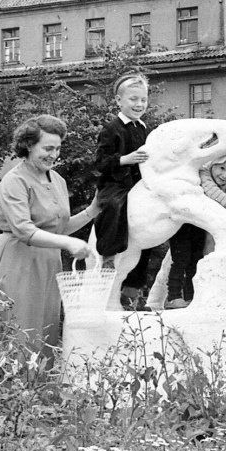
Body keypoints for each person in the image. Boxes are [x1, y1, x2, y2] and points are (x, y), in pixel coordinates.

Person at [0, 114, 100, 361]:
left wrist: (91, 211)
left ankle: (37, 392)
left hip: (48, 265)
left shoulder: (58, 180)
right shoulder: (14, 180)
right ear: (29, 146)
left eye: (58, 148)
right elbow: (24, 230)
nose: (54, 154)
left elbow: (57, 228)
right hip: (17, 260)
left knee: (44, 331)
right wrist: (68, 243)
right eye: (48, 148)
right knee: (16, 329)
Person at [165, 151, 226, 309]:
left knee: (196, 260)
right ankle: (173, 296)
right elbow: (213, 192)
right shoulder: (204, 175)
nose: (225, 175)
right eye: (222, 168)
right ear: (213, 164)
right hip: (184, 223)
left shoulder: (223, 182)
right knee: (181, 259)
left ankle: (191, 297)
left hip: (200, 225)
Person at [93, 73, 151, 308]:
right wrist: (125, 159)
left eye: (143, 100)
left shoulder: (143, 127)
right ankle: (108, 256)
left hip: (139, 183)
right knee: (115, 207)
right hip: (116, 183)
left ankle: (134, 286)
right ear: (119, 101)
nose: (139, 105)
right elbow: (101, 163)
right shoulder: (111, 128)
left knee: (150, 229)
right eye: (133, 99)